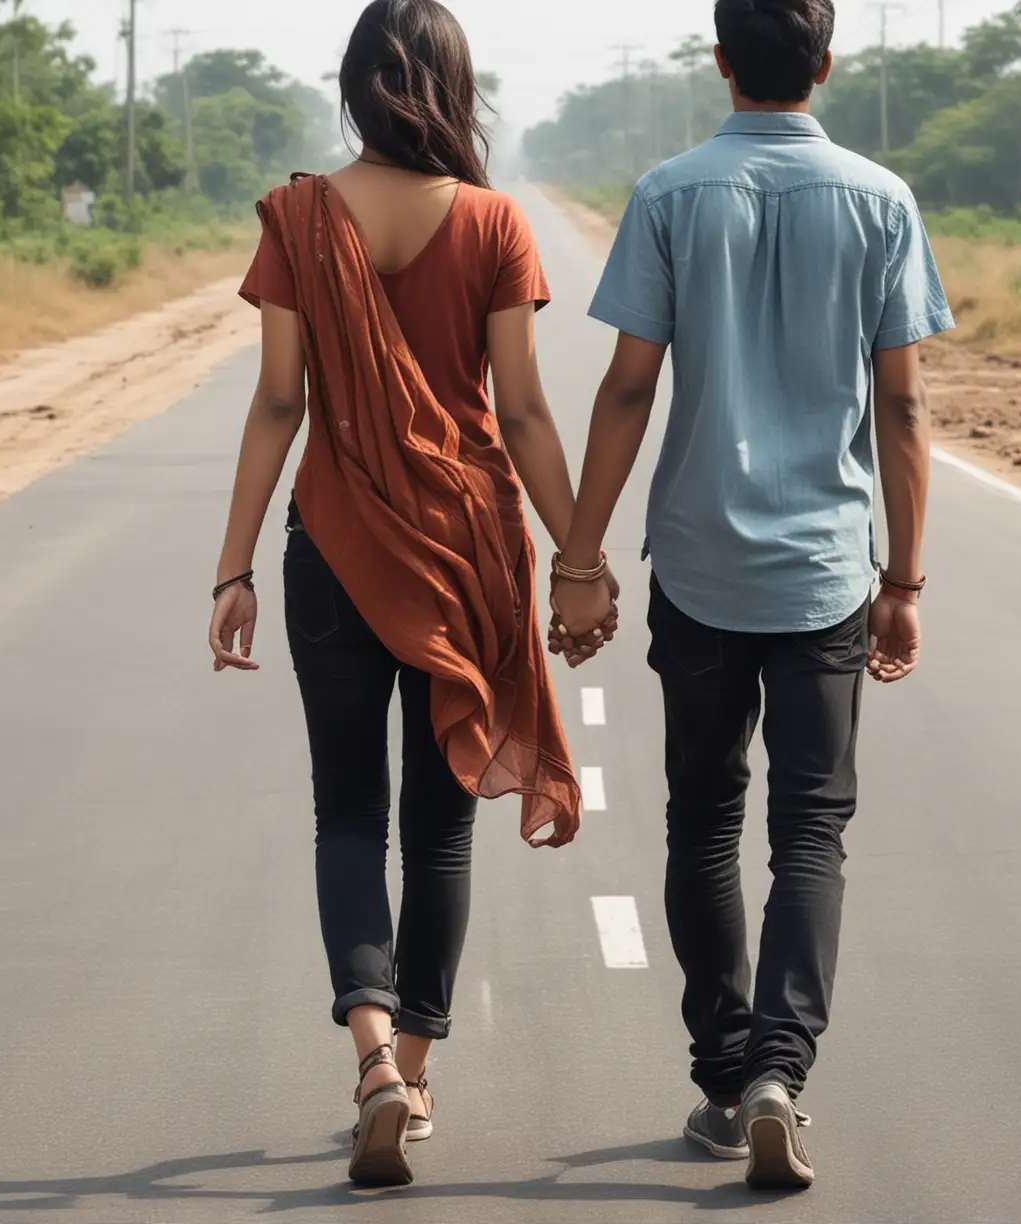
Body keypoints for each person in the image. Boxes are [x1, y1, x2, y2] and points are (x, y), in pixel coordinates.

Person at [548, 0, 952, 1191]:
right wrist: (905, 581)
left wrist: (579, 558)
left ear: (721, 63)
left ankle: (724, 1082)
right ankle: (783, 1072)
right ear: (825, 65)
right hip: (826, 570)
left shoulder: (671, 193)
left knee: (706, 821)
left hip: (702, 568)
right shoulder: (881, 200)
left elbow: (626, 392)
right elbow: (906, 408)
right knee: (811, 826)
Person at [206, 0, 589, 1189]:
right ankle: (415, 1070)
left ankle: (369, 1052)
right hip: (465, 554)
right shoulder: (491, 222)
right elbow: (520, 411)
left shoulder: (299, 218)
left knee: (345, 814)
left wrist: (232, 568)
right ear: (454, 88)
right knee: (439, 823)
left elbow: (280, 402)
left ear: (355, 85)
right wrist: (578, 556)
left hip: (331, 544)